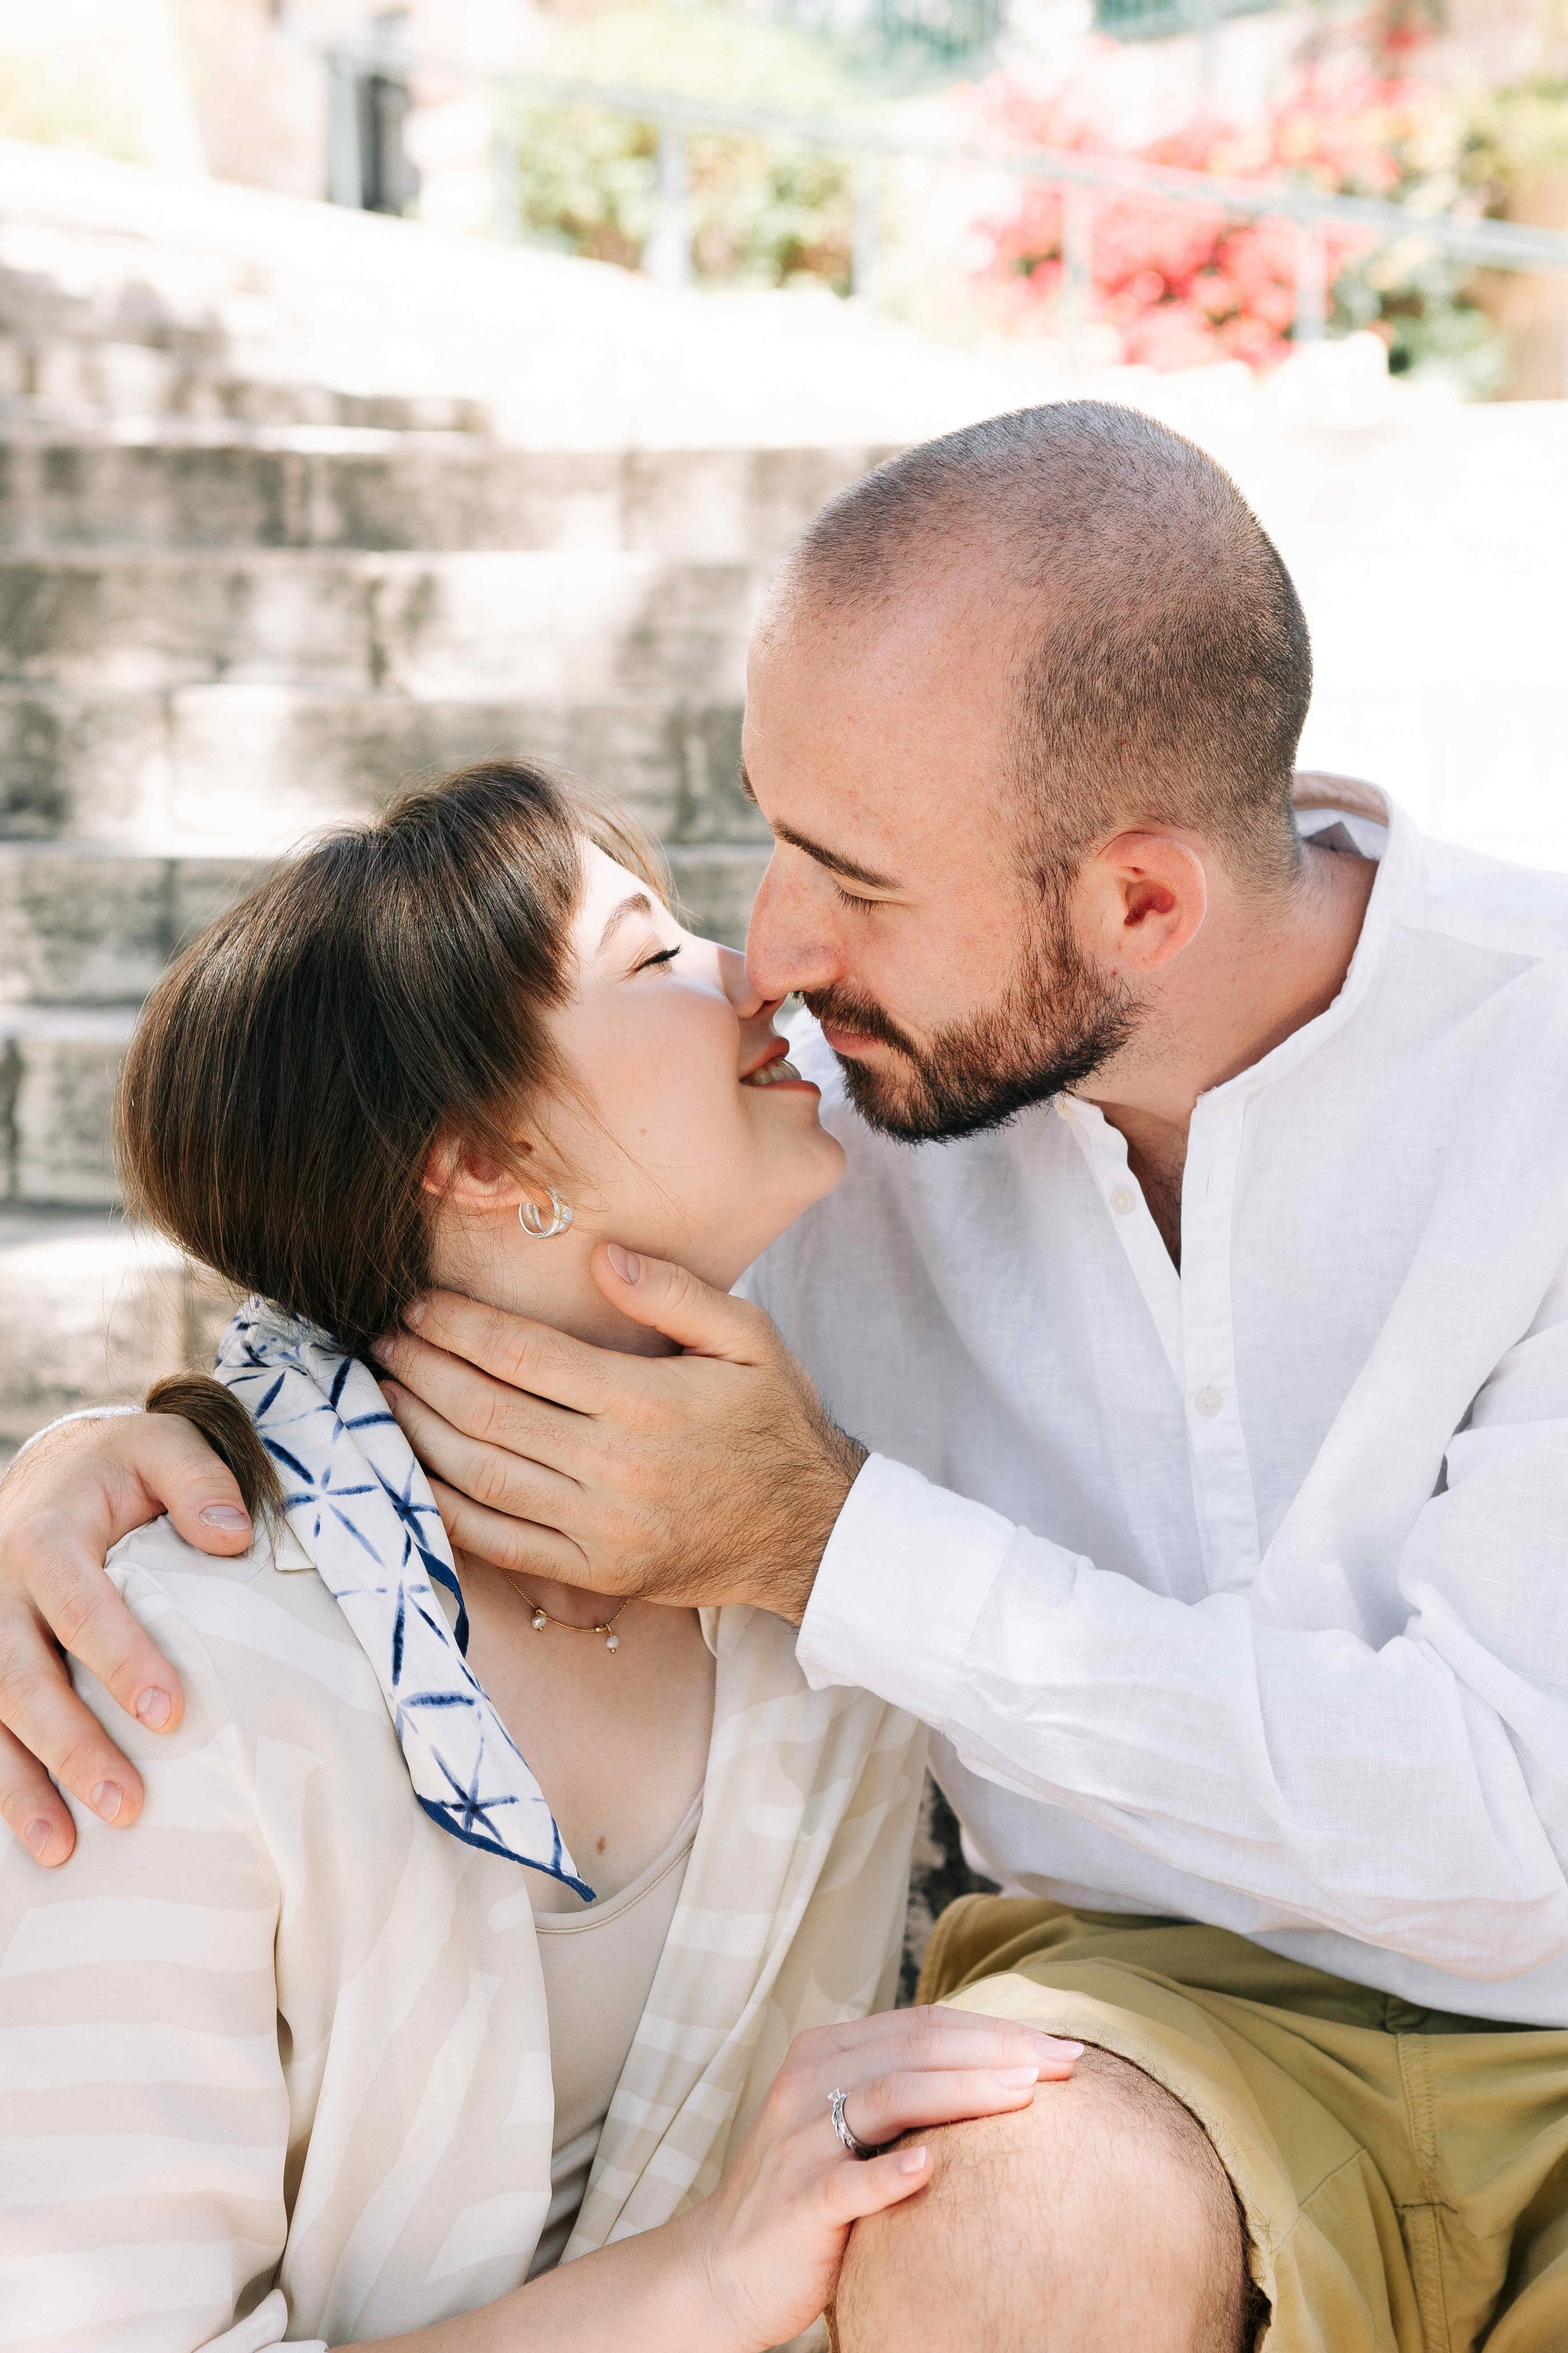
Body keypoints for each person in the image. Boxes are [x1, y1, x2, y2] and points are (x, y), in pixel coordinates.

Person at [5, 398, 1568, 2347]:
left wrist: (840, 1547)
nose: (774, 958)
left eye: (856, 877)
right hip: (1157, 2028)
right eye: (761, 838)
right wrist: (117, 1454)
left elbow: (1523, 1841)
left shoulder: (1538, 1073)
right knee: (991, 2200)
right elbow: (450, 1230)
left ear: (1141, 905)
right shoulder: (845, 1098)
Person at [0, 761, 1081, 2352]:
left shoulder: (813, 1578)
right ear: (482, 1159)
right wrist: (704, 2281)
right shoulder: (173, 1679)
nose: (753, 969)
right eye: (652, 958)